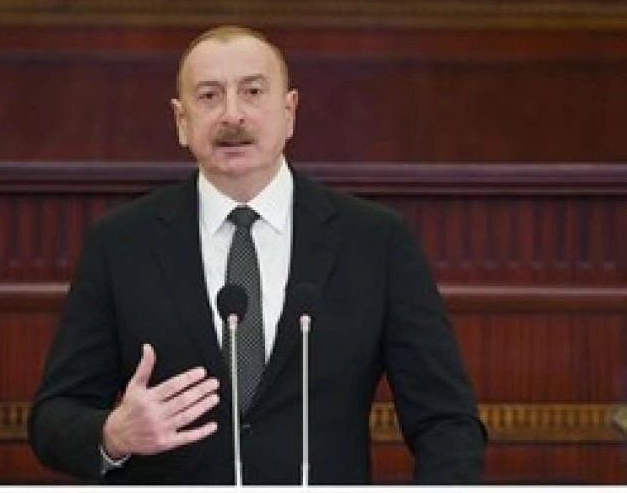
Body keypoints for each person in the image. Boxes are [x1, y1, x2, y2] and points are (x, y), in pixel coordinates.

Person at [28, 25, 487, 485]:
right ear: (181, 121)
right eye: (209, 96)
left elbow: (447, 423)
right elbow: (53, 418)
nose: (233, 115)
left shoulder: (375, 241)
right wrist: (113, 435)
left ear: (289, 112)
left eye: (252, 92)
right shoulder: (121, 243)